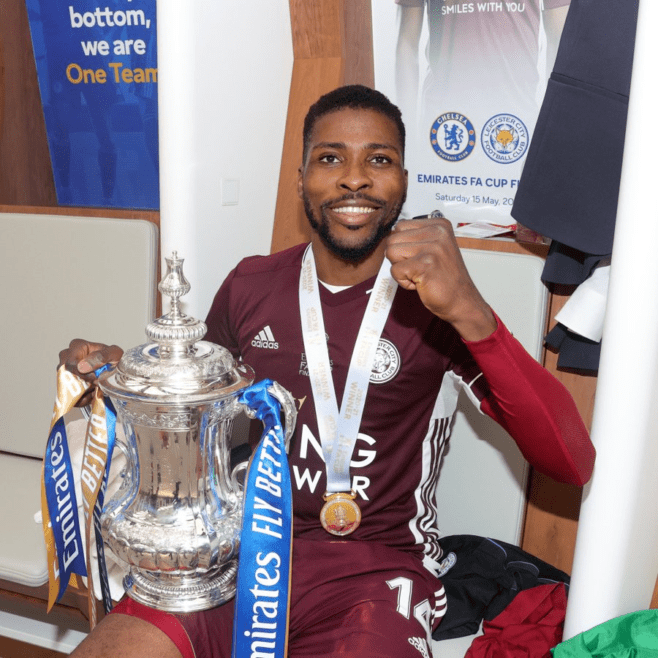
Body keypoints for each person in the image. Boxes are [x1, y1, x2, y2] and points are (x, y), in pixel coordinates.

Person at [60, 85, 595, 658]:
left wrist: (471, 310)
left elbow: (570, 462)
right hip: (237, 560)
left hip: (376, 573)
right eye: (331, 157)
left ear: (404, 181)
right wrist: (124, 379)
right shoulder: (250, 284)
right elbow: (195, 420)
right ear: (302, 180)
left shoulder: (436, 302)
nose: (354, 178)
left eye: (379, 160)